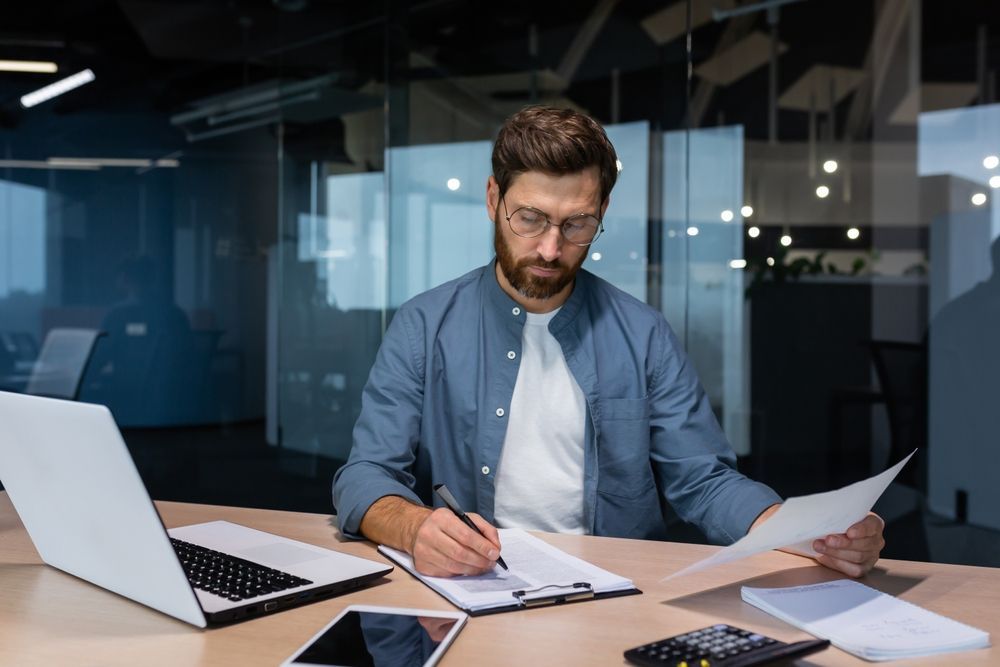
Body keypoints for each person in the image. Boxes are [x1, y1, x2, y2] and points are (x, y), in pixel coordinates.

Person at [333, 106, 884, 578]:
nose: (551, 249)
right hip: (475, 586)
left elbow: (704, 480)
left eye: (577, 225)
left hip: (611, 589)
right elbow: (365, 475)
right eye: (530, 219)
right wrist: (415, 527)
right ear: (493, 198)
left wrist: (810, 533)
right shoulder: (424, 324)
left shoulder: (642, 333)